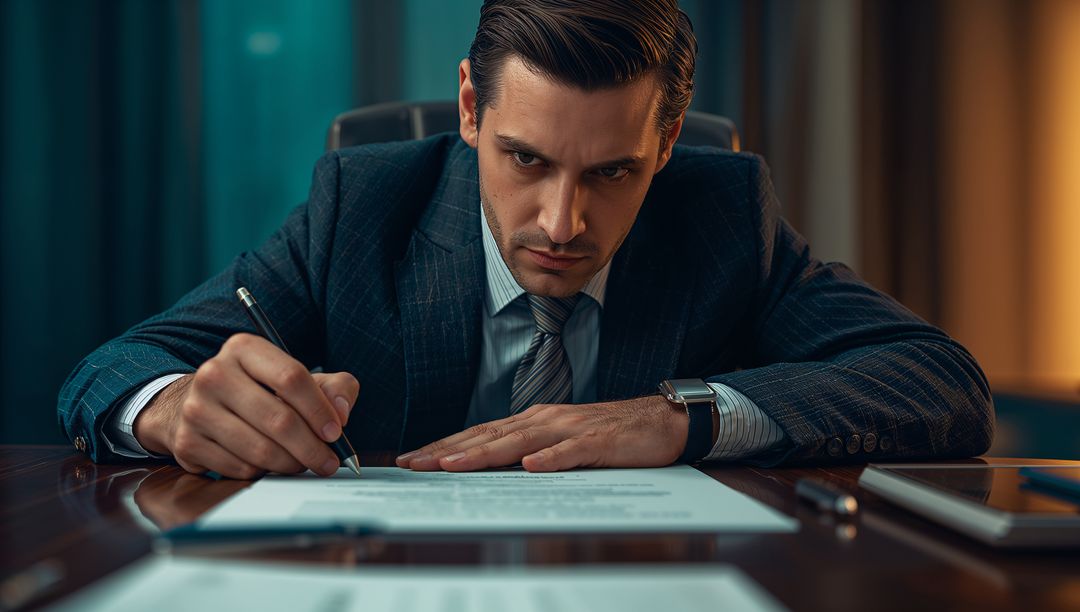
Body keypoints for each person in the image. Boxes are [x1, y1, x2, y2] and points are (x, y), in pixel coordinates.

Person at [58, 0, 993, 480]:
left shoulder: (721, 215)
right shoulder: (364, 203)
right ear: (470, 108)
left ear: (667, 143)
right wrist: (173, 405)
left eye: (613, 172)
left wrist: (680, 419)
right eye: (525, 158)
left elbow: (939, 379)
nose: (561, 224)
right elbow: (115, 366)